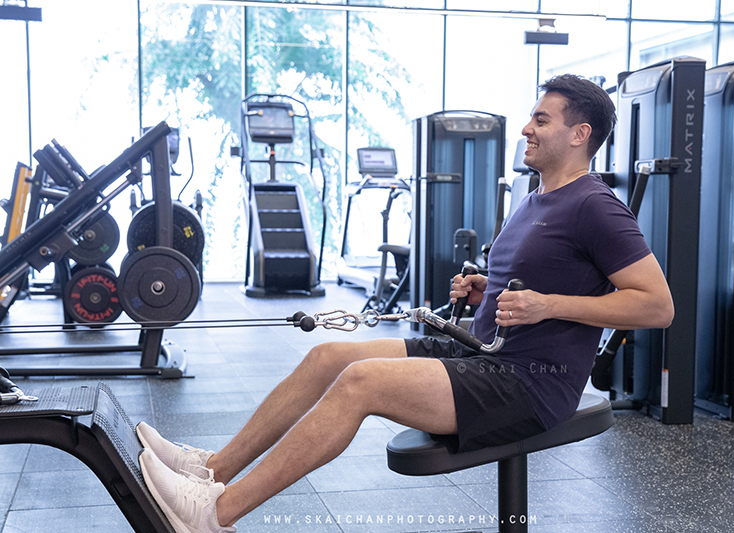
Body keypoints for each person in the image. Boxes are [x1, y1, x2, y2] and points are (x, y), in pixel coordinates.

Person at [137, 73, 674, 533]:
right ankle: (212, 471)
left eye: (541, 120)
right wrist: (486, 288)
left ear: (580, 134)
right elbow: (536, 281)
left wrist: (548, 305)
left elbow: (656, 306)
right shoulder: (533, 198)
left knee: (361, 381)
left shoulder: (596, 205)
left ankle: (214, 514)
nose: (526, 129)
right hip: (480, 353)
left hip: (527, 383)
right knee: (327, 357)